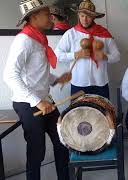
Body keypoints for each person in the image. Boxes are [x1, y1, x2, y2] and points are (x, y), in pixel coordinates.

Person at [3, 0, 72, 179]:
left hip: (44, 101)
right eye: (46, 15)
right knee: (37, 151)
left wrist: (57, 80)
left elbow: (37, 74)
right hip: (27, 104)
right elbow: (10, 75)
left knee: (62, 142)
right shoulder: (23, 41)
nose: (51, 18)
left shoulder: (38, 39)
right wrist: (37, 101)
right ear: (34, 17)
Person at [55, 0, 120, 99]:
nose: (85, 20)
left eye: (88, 16)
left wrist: (105, 56)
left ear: (94, 17)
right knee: (78, 113)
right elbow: (57, 54)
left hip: (100, 83)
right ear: (78, 15)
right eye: (82, 16)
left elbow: (117, 56)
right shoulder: (70, 34)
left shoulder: (104, 33)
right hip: (79, 83)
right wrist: (75, 55)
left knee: (102, 112)